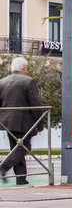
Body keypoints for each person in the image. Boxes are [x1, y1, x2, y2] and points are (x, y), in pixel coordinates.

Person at [0, 57, 43, 185]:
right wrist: (39, 124)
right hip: (23, 122)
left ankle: (21, 178)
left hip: (7, 122)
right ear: (23, 68)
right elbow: (35, 104)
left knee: (15, 148)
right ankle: (3, 166)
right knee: (24, 147)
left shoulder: (2, 82)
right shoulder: (28, 81)